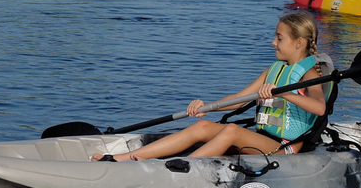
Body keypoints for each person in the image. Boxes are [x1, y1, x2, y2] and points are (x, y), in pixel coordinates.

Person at [93, 13, 328, 162]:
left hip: (285, 149)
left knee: (232, 131)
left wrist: (286, 93)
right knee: (204, 126)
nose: (273, 42)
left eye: (279, 38)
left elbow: (319, 108)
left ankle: (182, 167)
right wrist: (207, 107)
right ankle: (124, 158)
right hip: (262, 139)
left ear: (299, 42)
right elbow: (239, 99)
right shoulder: (275, 69)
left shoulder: (310, 73)